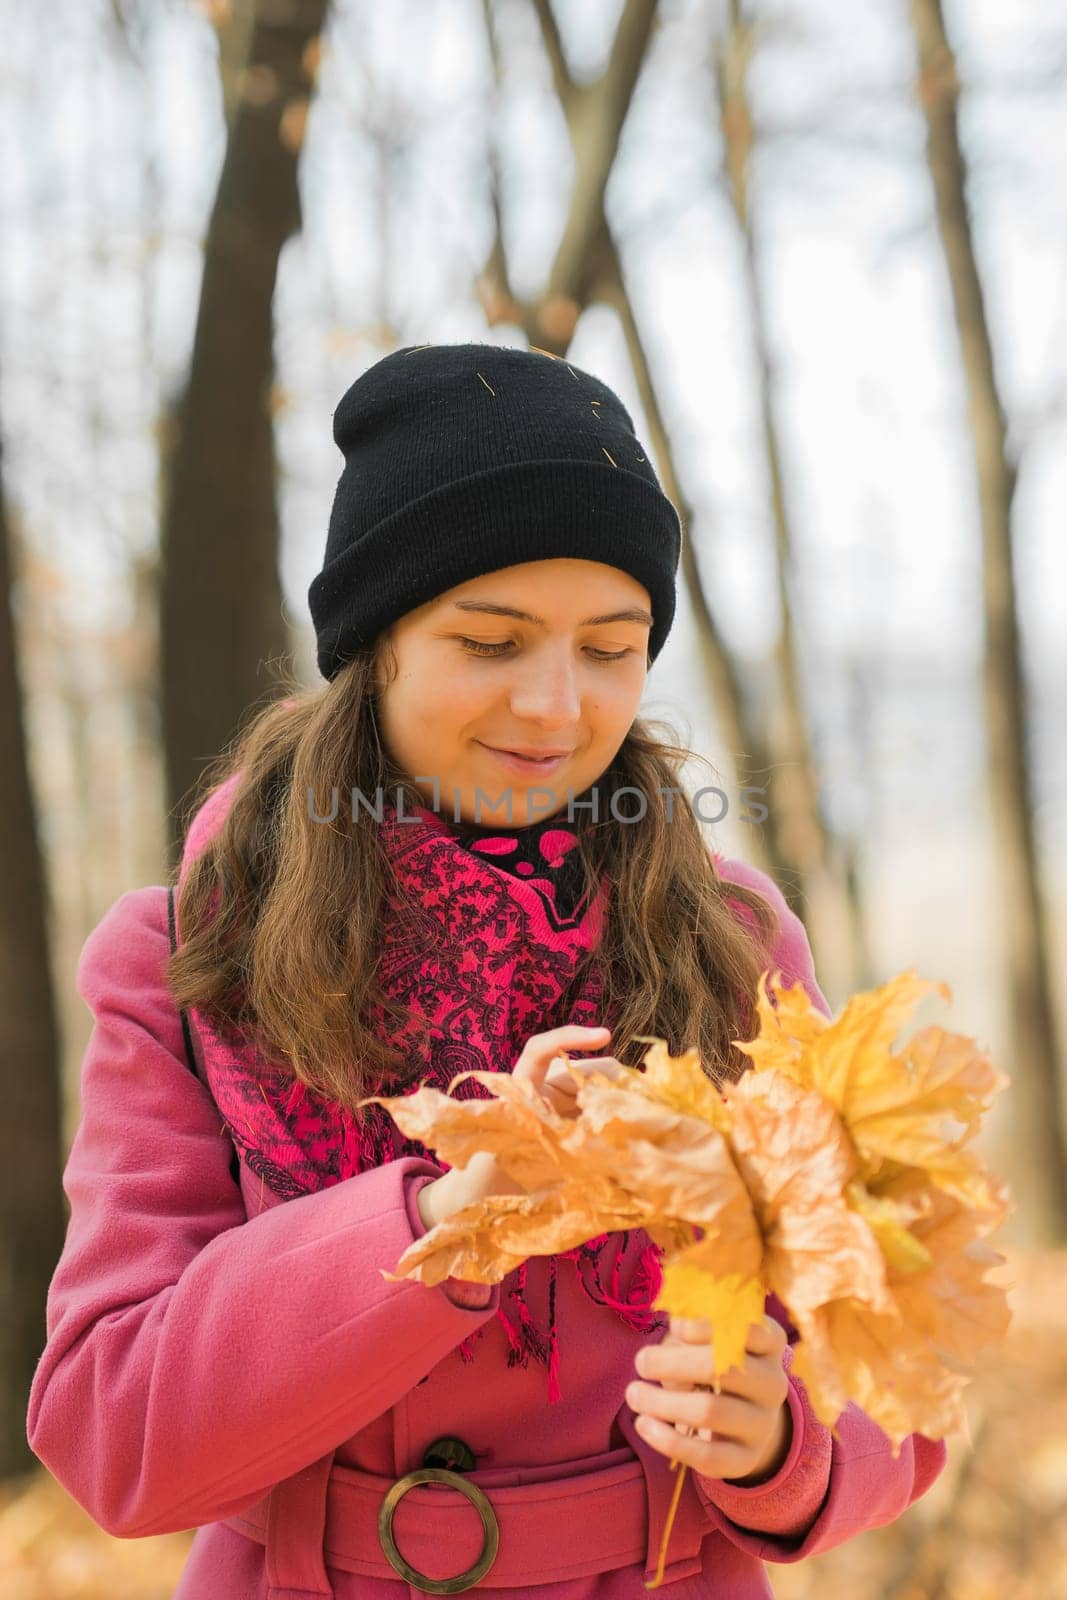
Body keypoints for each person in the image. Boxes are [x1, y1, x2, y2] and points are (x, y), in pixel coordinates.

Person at [27, 343, 946, 1598]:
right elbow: (110, 1435)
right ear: (376, 641)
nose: (556, 706)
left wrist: (784, 1444)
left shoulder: (723, 942)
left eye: (610, 647)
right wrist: (437, 1221)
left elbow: (894, 1360)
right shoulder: (194, 957)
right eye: (492, 638)